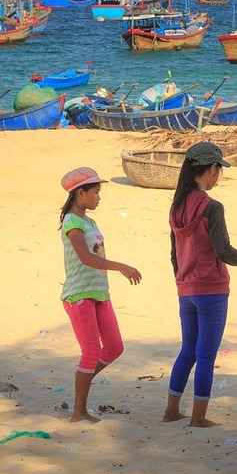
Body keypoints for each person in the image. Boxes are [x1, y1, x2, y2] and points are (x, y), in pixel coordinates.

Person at [164, 142, 237, 428]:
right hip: (211, 290)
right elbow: (224, 251)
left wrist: (181, 280)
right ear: (210, 170)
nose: (218, 177)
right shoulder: (211, 207)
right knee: (205, 354)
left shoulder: (176, 207)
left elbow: (173, 252)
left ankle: (171, 411)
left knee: (188, 350)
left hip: (186, 289)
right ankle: (198, 417)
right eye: (218, 170)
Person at [58, 167, 143, 423]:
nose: (98, 197)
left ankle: (83, 383)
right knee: (91, 352)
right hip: (79, 294)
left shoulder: (90, 222)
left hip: (99, 292)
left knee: (115, 346)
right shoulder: (72, 222)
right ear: (80, 193)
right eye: (95, 192)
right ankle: (78, 410)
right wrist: (122, 267)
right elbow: (85, 258)